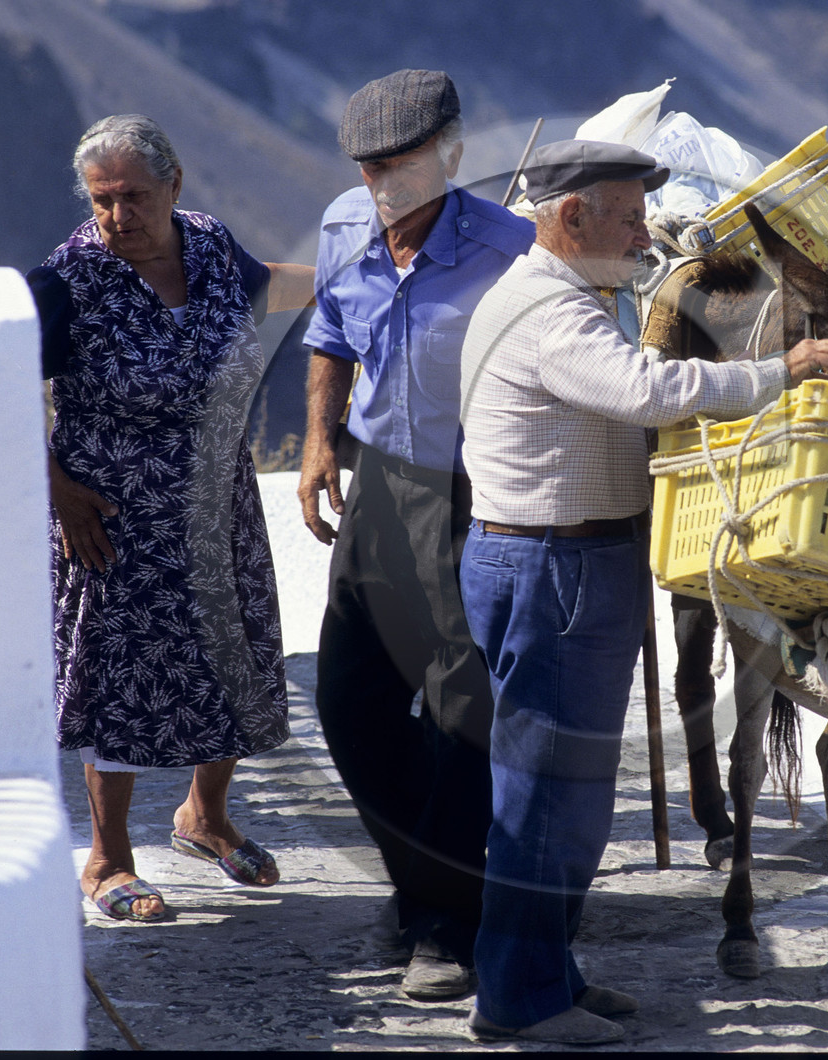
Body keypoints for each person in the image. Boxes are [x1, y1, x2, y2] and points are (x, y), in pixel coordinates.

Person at [456, 139, 828, 1045]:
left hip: (554, 563)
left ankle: (546, 971)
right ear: (571, 217)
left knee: (562, 793)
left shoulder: (558, 297)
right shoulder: (550, 311)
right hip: (555, 570)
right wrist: (780, 372)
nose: (645, 235)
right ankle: (520, 999)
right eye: (630, 218)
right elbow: (647, 389)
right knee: (548, 799)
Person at [28, 114, 316, 922]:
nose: (118, 215)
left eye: (133, 196)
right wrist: (55, 488)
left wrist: (372, 271)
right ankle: (108, 858)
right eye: (103, 199)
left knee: (230, 654)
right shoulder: (68, 280)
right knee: (120, 671)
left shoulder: (209, 244)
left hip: (218, 502)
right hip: (114, 514)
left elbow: (267, 285)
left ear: (174, 184)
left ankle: (205, 817)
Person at [297, 69, 535, 999]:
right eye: (368, 168)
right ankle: (427, 882)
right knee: (348, 700)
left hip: (472, 494)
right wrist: (318, 442)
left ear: (450, 154)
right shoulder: (342, 227)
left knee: (456, 711)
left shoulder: (511, 251)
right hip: (377, 486)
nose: (380, 184)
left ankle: (446, 925)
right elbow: (330, 333)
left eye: (399, 164)